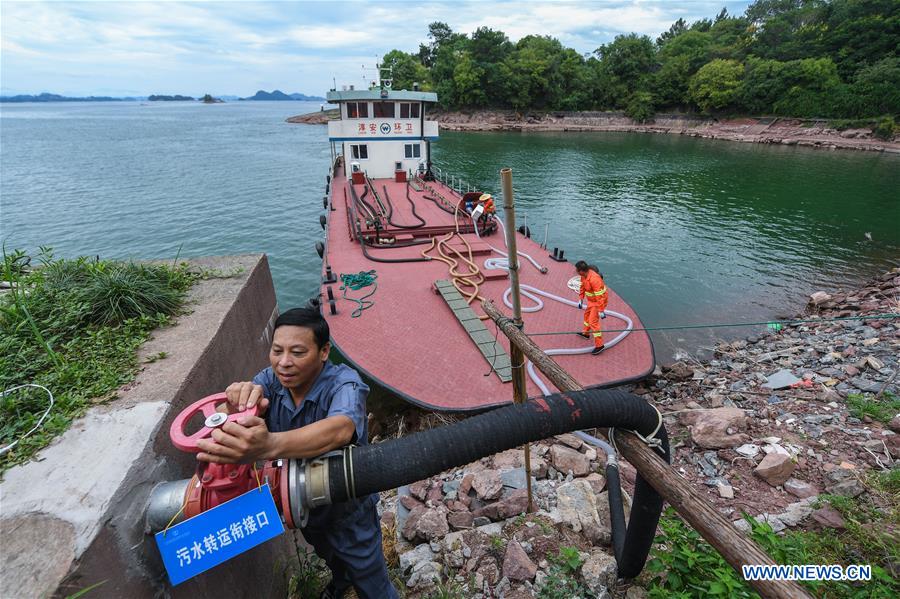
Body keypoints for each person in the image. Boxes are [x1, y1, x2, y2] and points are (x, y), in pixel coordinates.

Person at [196, 307, 398, 599]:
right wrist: (231, 404)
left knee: (369, 577)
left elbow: (340, 429)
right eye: (277, 351)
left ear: (324, 351)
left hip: (347, 508)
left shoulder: (344, 383)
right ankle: (341, 583)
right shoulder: (269, 380)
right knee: (329, 555)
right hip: (303, 504)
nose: (284, 363)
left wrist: (268, 445)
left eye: (298, 352)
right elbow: (221, 415)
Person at [575, 260, 608, 355]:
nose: (576, 272)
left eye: (577, 270)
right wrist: (581, 299)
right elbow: (582, 287)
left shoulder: (594, 279)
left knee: (593, 322)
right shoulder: (583, 276)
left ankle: (600, 345)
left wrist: (601, 310)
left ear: (581, 271)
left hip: (598, 302)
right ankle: (585, 333)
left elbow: (600, 296)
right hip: (591, 301)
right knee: (587, 316)